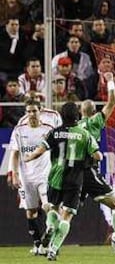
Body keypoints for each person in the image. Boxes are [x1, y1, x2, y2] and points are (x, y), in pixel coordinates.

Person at [23, 102, 103, 261]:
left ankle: (51, 226)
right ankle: (53, 249)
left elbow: (40, 150)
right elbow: (98, 156)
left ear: (62, 115)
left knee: (52, 208)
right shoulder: (85, 134)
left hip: (55, 177)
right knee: (66, 217)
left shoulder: (54, 132)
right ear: (77, 115)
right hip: (75, 179)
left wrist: (29, 157)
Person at [77, 72, 115, 255]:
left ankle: (49, 244)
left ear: (81, 112)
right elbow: (112, 102)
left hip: (73, 173)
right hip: (90, 171)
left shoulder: (75, 126)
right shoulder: (95, 121)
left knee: (65, 210)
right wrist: (110, 81)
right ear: (94, 111)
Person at [10, 99, 54, 255]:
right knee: (31, 211)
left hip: (45, 175)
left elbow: (57, 150)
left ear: (40, 111)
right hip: (26, 177)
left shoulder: (49, 129)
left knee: (48, 206)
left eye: (34, 111)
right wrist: (14, 174)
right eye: (28, 111)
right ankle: (37, 244)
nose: (31, 114)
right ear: (25, 113)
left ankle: (50, 235)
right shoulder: (19, 130)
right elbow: (14, 153)